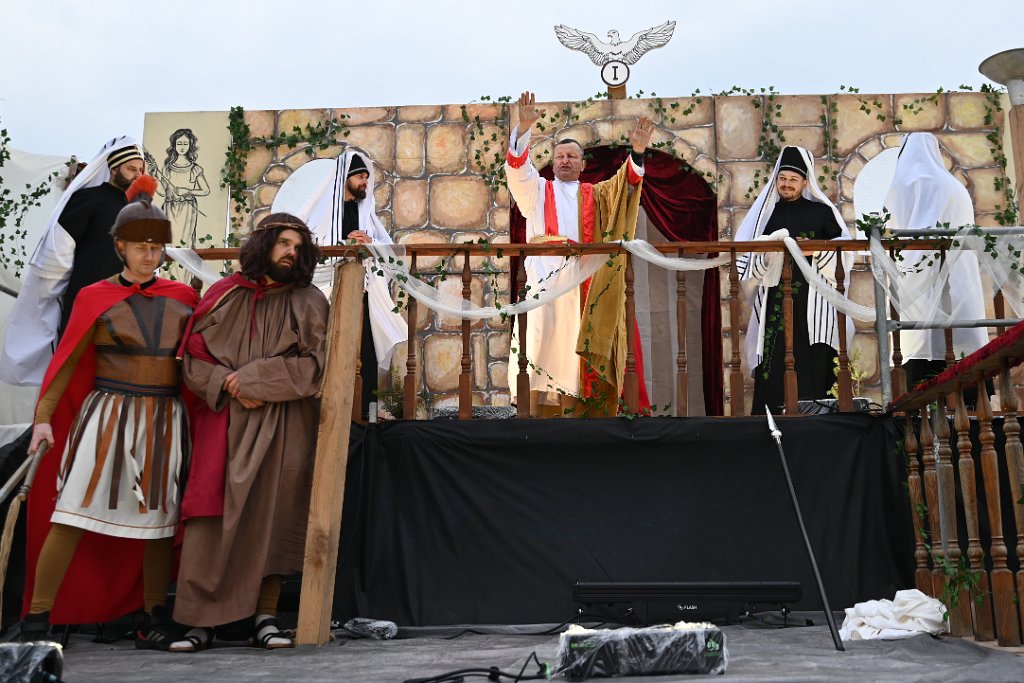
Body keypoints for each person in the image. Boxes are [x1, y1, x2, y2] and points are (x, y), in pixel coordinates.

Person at [19, 175, 198, 648]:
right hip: (107, 417)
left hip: (164, 420)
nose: (149, 256)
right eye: (140, 247)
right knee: (72, 512)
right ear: (120, 246)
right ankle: (37, 619)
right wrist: (43, 420)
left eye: (156, 247)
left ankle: (153, 615)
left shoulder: (184, 298)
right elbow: (66, 362)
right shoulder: (94, 296)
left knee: (159, 521)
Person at [171, 212, 329, 651]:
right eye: (283, 243)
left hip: (282, 424)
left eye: (298, 247)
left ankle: (266, 617)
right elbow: (192, 358)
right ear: (263, 245)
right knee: (211, 520)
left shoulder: (309, 300)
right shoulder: (223, 294)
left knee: (271, 518)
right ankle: (200, 622)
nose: (291, 252)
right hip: (223, 419)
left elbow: (318, 365)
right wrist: (227, 383)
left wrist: (256, 380)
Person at [504, 90, 654, 417]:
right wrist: (523, 129)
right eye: (560, 156)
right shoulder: (537, 191)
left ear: (583, 164)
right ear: (552, 162)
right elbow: (517, 171)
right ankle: (532, 420)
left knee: (571, 355)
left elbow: (623, 188)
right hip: (544, 280)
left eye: (572, 156)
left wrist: (638, 153)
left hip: (580, 286)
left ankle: (575, 419)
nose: (565, 161)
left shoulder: (596, 194)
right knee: (538, 344)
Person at [1, 138, 147, 386]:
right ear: (113, 169)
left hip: (124, 301)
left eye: (140, 170)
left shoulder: (136, 209)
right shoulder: (89, 199)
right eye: (131, 169)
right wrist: (52, 290)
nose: (137, 175)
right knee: (76, 372)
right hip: (86, 301)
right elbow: (58, 251)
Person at [272, 150, 405, 418]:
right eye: (360, 177)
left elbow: (391, 250)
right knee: (326, 351)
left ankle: (366, 413)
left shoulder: (364, 213)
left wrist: (370, 244)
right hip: (324, 295)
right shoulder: (320, 211)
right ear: (345, 177)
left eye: (366, 177)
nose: (365, 182)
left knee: (365, 352)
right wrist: (343, 247)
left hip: (362, 291)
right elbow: (307, 249)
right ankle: (327, 414)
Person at [735, 146, 849, 414]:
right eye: (782, 178)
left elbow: (844, 251)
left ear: (805, 183)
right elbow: (749, 256)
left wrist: (814, 250)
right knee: (775, 357)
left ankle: (818, 417)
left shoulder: (822, 213)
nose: (786, 184)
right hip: (775, 298)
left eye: (793, 179)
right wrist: (768, 253)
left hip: (815, 300)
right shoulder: (768, 214)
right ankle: (771, 417)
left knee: (814, 354)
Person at [884, 132, 989, 389]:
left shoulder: (905, 183)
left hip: (921, 283)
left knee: (926, 351)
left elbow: (894, 229)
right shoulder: (954, 186)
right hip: (960, 281)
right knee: (963, 346)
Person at [154, 128, 210, 248]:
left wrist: (188, 191)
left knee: (185, 243)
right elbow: (162, 192)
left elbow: (206, 190)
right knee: (169, 243)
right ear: (174, 145)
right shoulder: (167, 169)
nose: (182, 147)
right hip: (170, 209)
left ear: (190, 145)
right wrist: (155, 176)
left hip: (187, 209)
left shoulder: (195, 168)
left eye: (185, 143)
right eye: (179, 143)